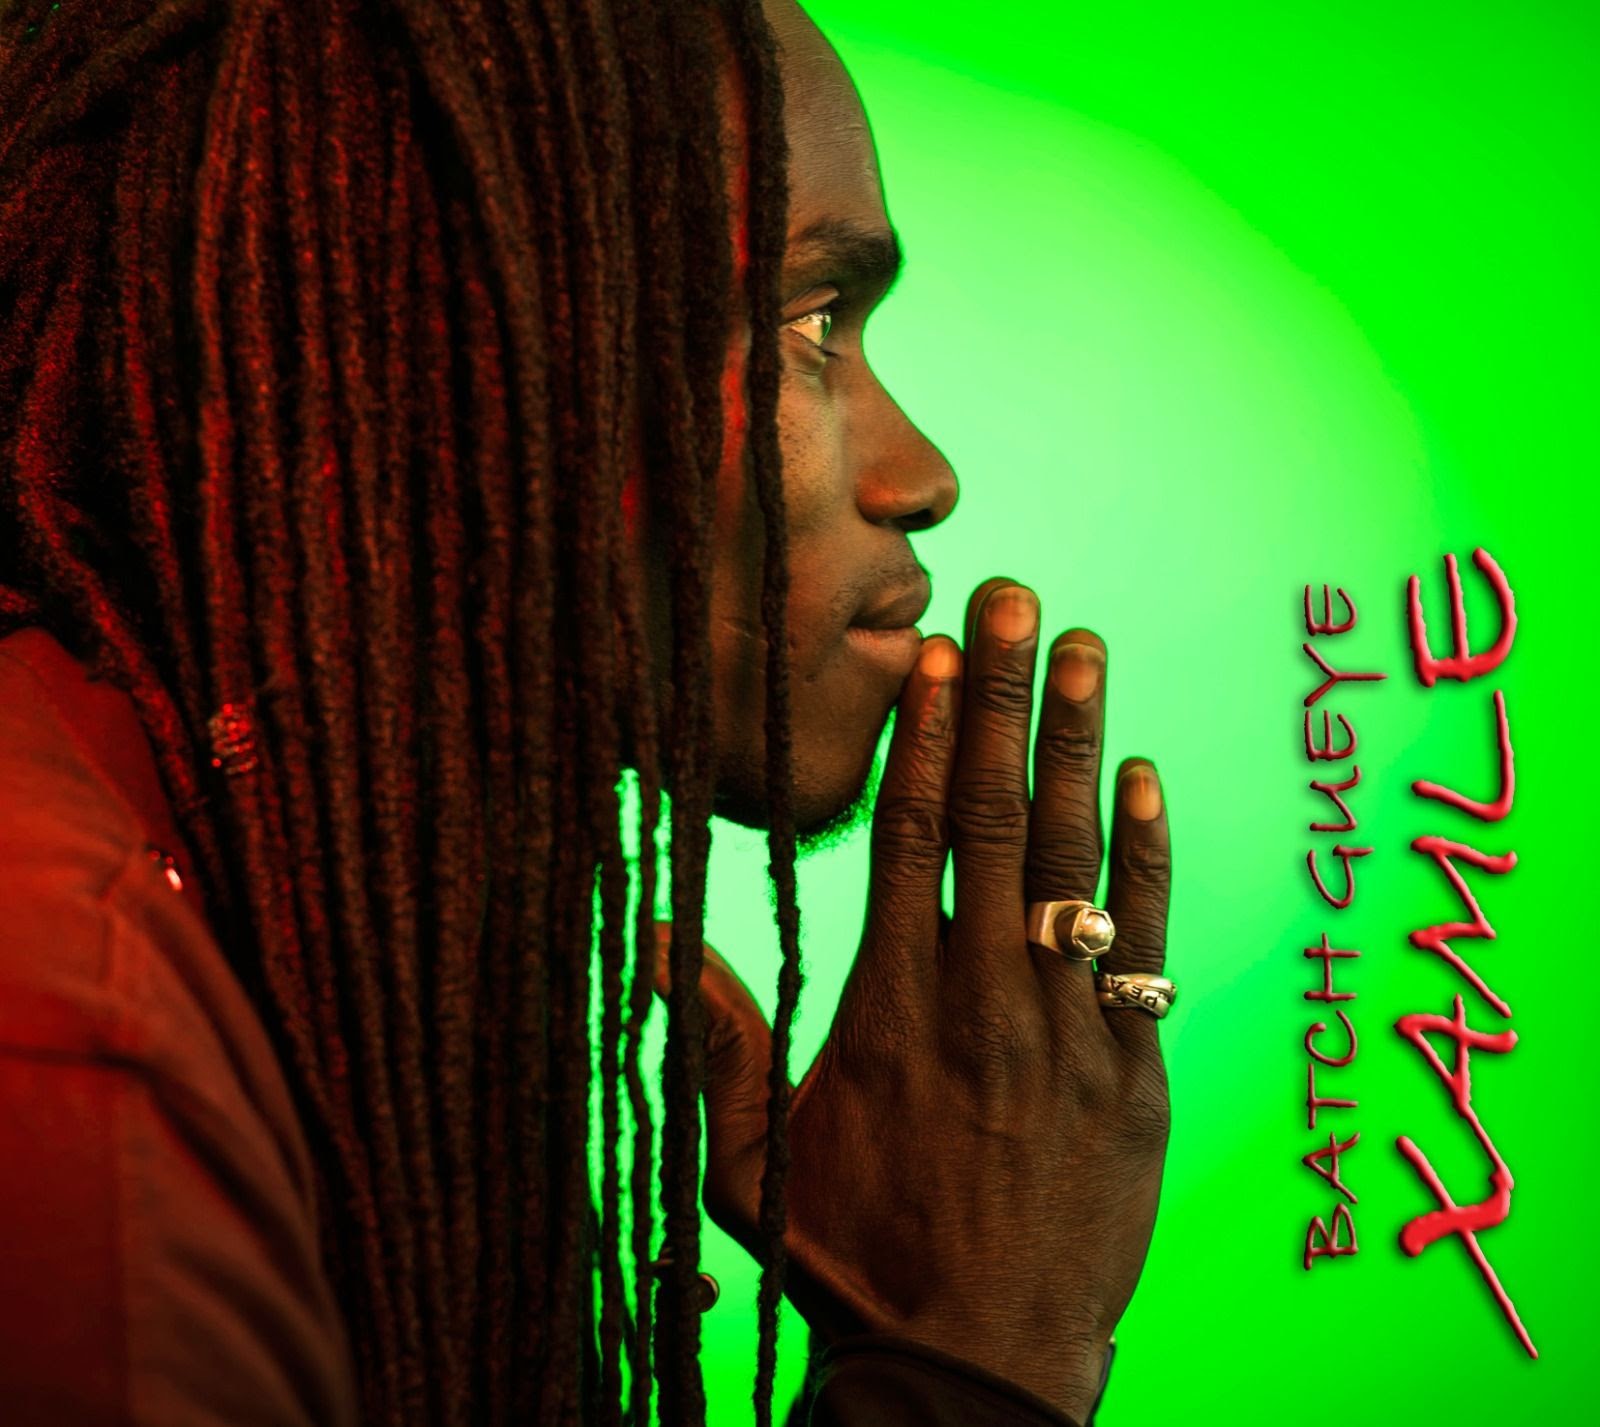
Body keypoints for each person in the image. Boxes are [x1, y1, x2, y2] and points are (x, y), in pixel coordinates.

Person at [0, 0, 1174, 1424]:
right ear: (443, 359)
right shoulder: (78, 1063)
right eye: (810, 321)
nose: (922, 475)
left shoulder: (274, 902)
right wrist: (972, 1352)